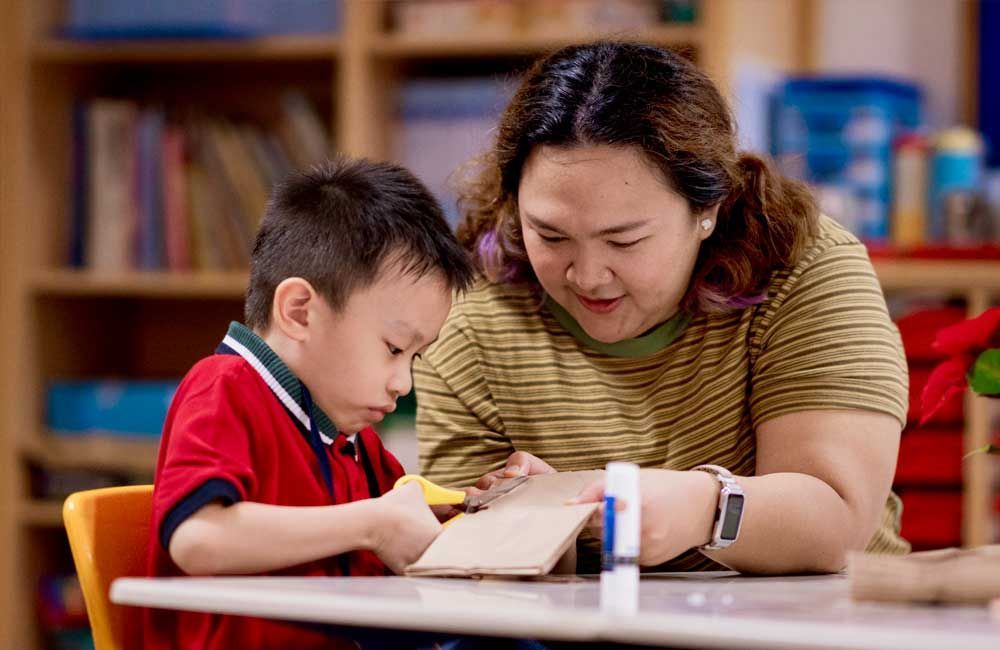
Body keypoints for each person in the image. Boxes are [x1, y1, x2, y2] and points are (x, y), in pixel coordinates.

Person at [415, 41, 910, 575]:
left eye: (624, 241)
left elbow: (839, 518)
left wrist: (706, 507)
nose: (587, 275)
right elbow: (462, 561)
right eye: (550, 235)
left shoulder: (806, 268)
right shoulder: (475, 311)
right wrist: (533, 520)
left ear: (708, 210)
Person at [145, 157, 474, 649]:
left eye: (415, 358)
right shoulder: (224, 387)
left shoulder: (350, 435)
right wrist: (373, 524)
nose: (403, 383)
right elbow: (198, 538)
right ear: (300, 311)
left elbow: (397, 528)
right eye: (393, 349)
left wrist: (479, 508)